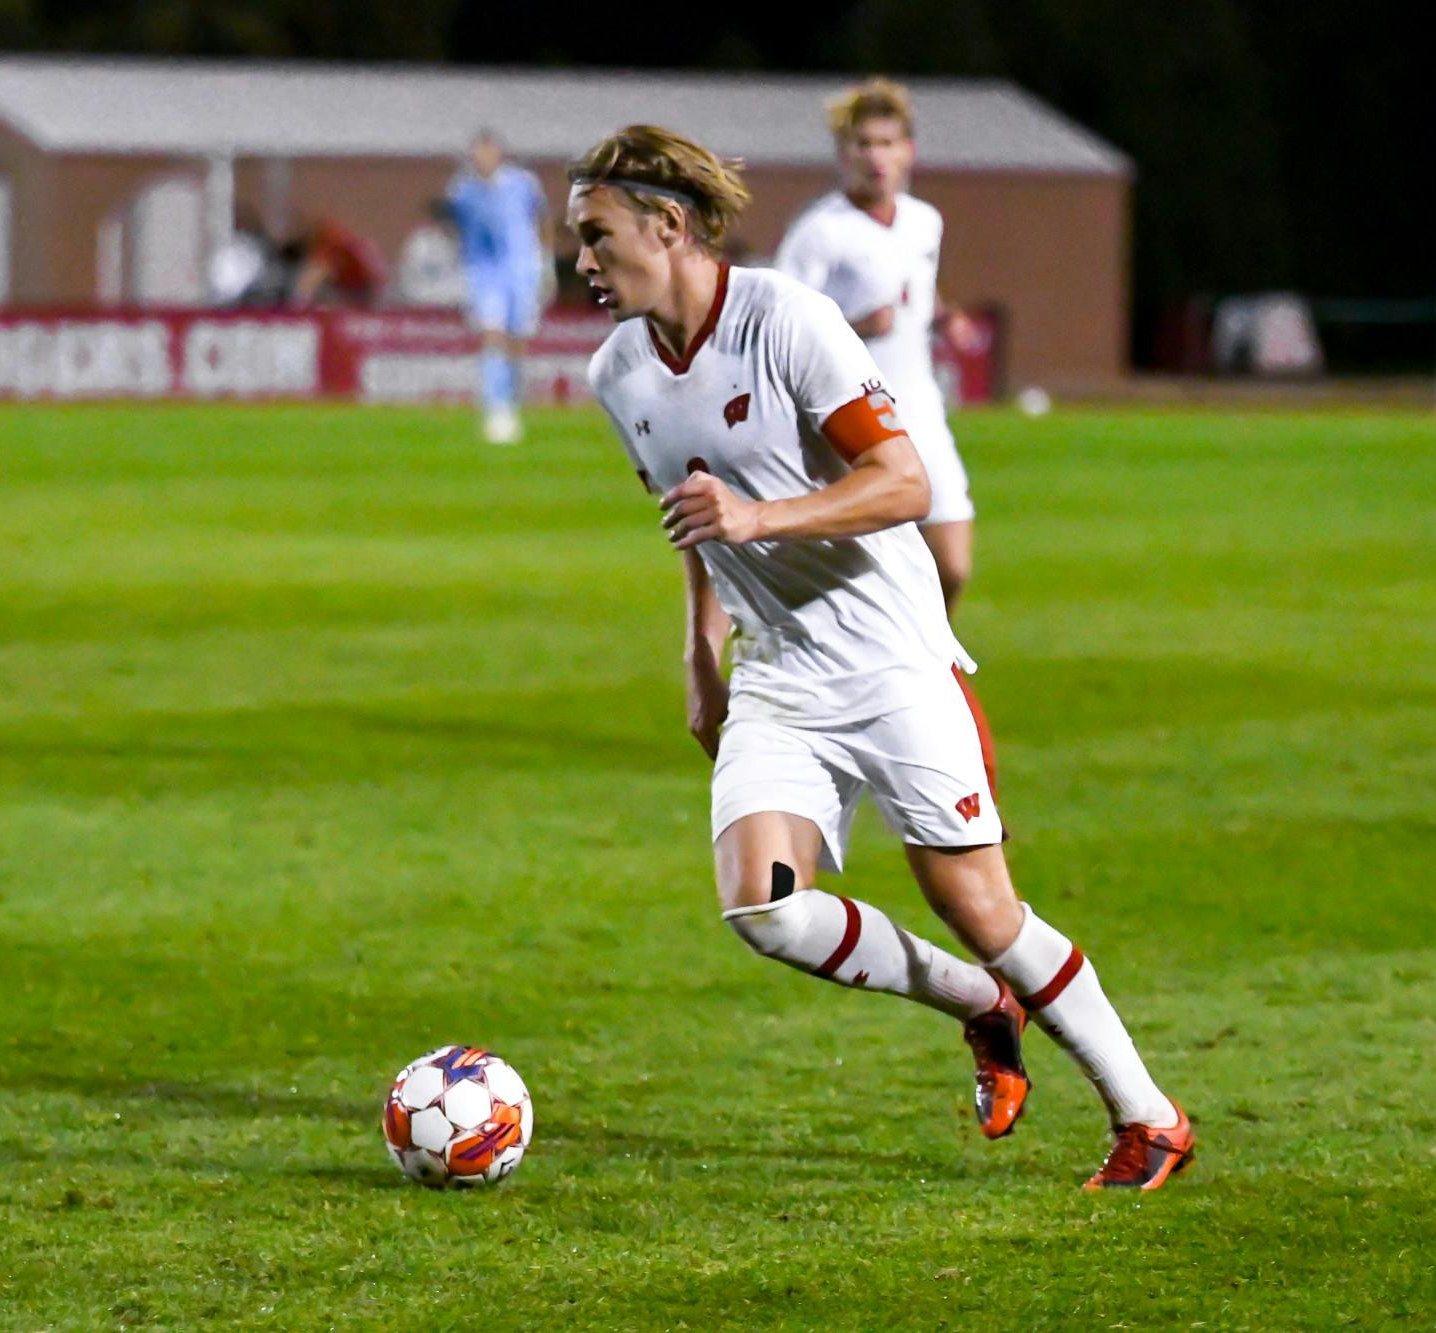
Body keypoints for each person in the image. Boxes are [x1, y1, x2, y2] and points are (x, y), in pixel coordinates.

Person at [570, 123, 1194, 1190]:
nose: (579, 260)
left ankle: (1149, 1118)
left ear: (667, 225)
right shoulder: (616, 371)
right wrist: (699, 651)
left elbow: (902, 483)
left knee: (982, 908)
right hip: (775, 668)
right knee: (762, 905)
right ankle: (976, 1005)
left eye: (594, 234)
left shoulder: (787, 321)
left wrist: (760, 518)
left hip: (892, 657)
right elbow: (693, 523)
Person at [774, 79, 981, 613]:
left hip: (922, 409)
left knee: (952, 566)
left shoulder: (924, 221)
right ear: (843, 154)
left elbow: (918, 288)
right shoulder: (820, 232)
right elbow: (780, 323)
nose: (876, 157)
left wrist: (945, 315)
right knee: (858, 581)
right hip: (851, 419)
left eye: (887, 143)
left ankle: (928, 665)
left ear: (908, 151)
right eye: (863, 144)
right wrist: (856, 327)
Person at [442, 131, 552, 445]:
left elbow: (541, 219)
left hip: (522, 269)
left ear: (499, 154)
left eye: (488, 152)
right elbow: (453, 225)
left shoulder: (523, 183)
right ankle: (496, 409)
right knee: (492, 335)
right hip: (483, 272)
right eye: (478, 153)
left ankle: (512, 401)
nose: (483, 159)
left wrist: (544, 263)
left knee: (516, 342)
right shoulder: (462, 190)